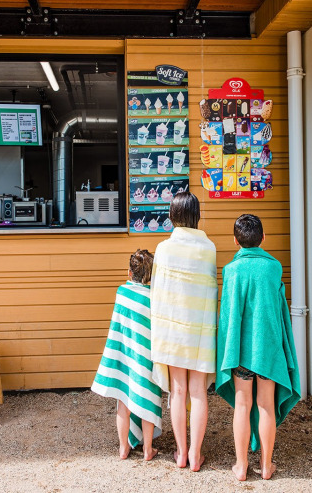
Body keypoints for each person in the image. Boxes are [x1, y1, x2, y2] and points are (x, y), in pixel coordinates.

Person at [215, 214, 301, 481]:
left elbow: (227, 317)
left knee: (242, 404)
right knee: (265, 405)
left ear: (235, 241)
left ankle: (241, 467)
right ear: (263, 238)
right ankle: (266, 466)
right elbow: (279, 312)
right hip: (268, 349)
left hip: (240, 350)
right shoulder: (274, 267)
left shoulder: (231, 270)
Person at [149, 192, 217, 471]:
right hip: (200, 329)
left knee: (178, 390)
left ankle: (180, 452)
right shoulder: (208, 248)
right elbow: (210, 290)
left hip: (173, 330)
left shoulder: (164, 248)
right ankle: (196, 456)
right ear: (196, 215)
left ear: (172, 215)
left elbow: (158, 292)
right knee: (198, 391)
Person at [91, 249, 163, 461]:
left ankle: (124, 448)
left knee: (123, 401)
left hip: (125, 356)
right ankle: (148, 450)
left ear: (130, 272)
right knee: (149, 401)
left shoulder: (122, 292)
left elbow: (119, 327)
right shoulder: (154, 297)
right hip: (146, 358)